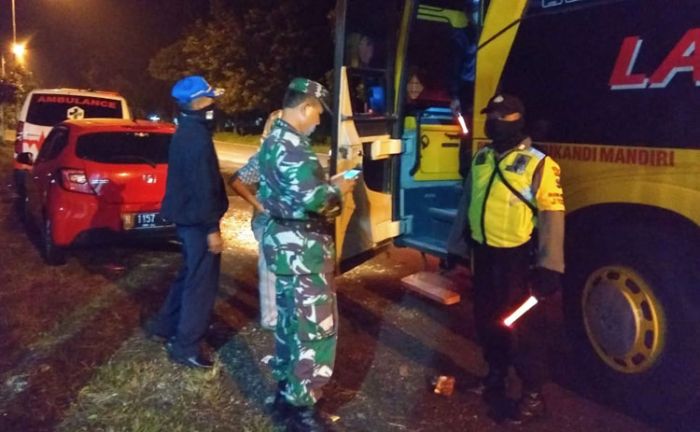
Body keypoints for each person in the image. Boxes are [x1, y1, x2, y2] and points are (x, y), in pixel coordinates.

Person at [460, 93, 565, 424]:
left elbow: (552, 214)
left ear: (517, 120)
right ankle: (495, 375)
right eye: (490, 116)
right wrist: (456, 248)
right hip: (485, 255)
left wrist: (551, 264)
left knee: (521, 328)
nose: (492, 123)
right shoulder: (482, 158)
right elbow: (468, 204)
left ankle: (533, 395)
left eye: (500, 117)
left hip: (517, 261)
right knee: (487, 320)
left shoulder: (539, 163)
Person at [258, 77, 356, 431]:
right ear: (304, 107)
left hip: (286, 250)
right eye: (317, 113)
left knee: (289, 323)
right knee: (315, 330)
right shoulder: (294, 148)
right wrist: (340, 188)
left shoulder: (273, 142)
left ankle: (286, 393)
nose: (318, 121)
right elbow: (320, 202)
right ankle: (303, 408)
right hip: (304, 254)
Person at [145, 75, 229, 369]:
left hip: (188, 219)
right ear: (196, 103)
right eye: (209, 98)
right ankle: (186, 346)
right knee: (200, 284)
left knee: (189, 274)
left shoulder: (187, 130)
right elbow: (202, 186)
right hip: (197, 222)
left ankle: (164, 326)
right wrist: (212, 229)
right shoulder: (196, 138)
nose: (214, 103)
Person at [228, 109, 282, 330]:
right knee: (270, 269)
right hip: (267, 221)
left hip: (285, 220)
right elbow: (236, 180)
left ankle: (282, 313)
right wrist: (258, 204)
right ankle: (271, 318)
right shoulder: (265, 156)